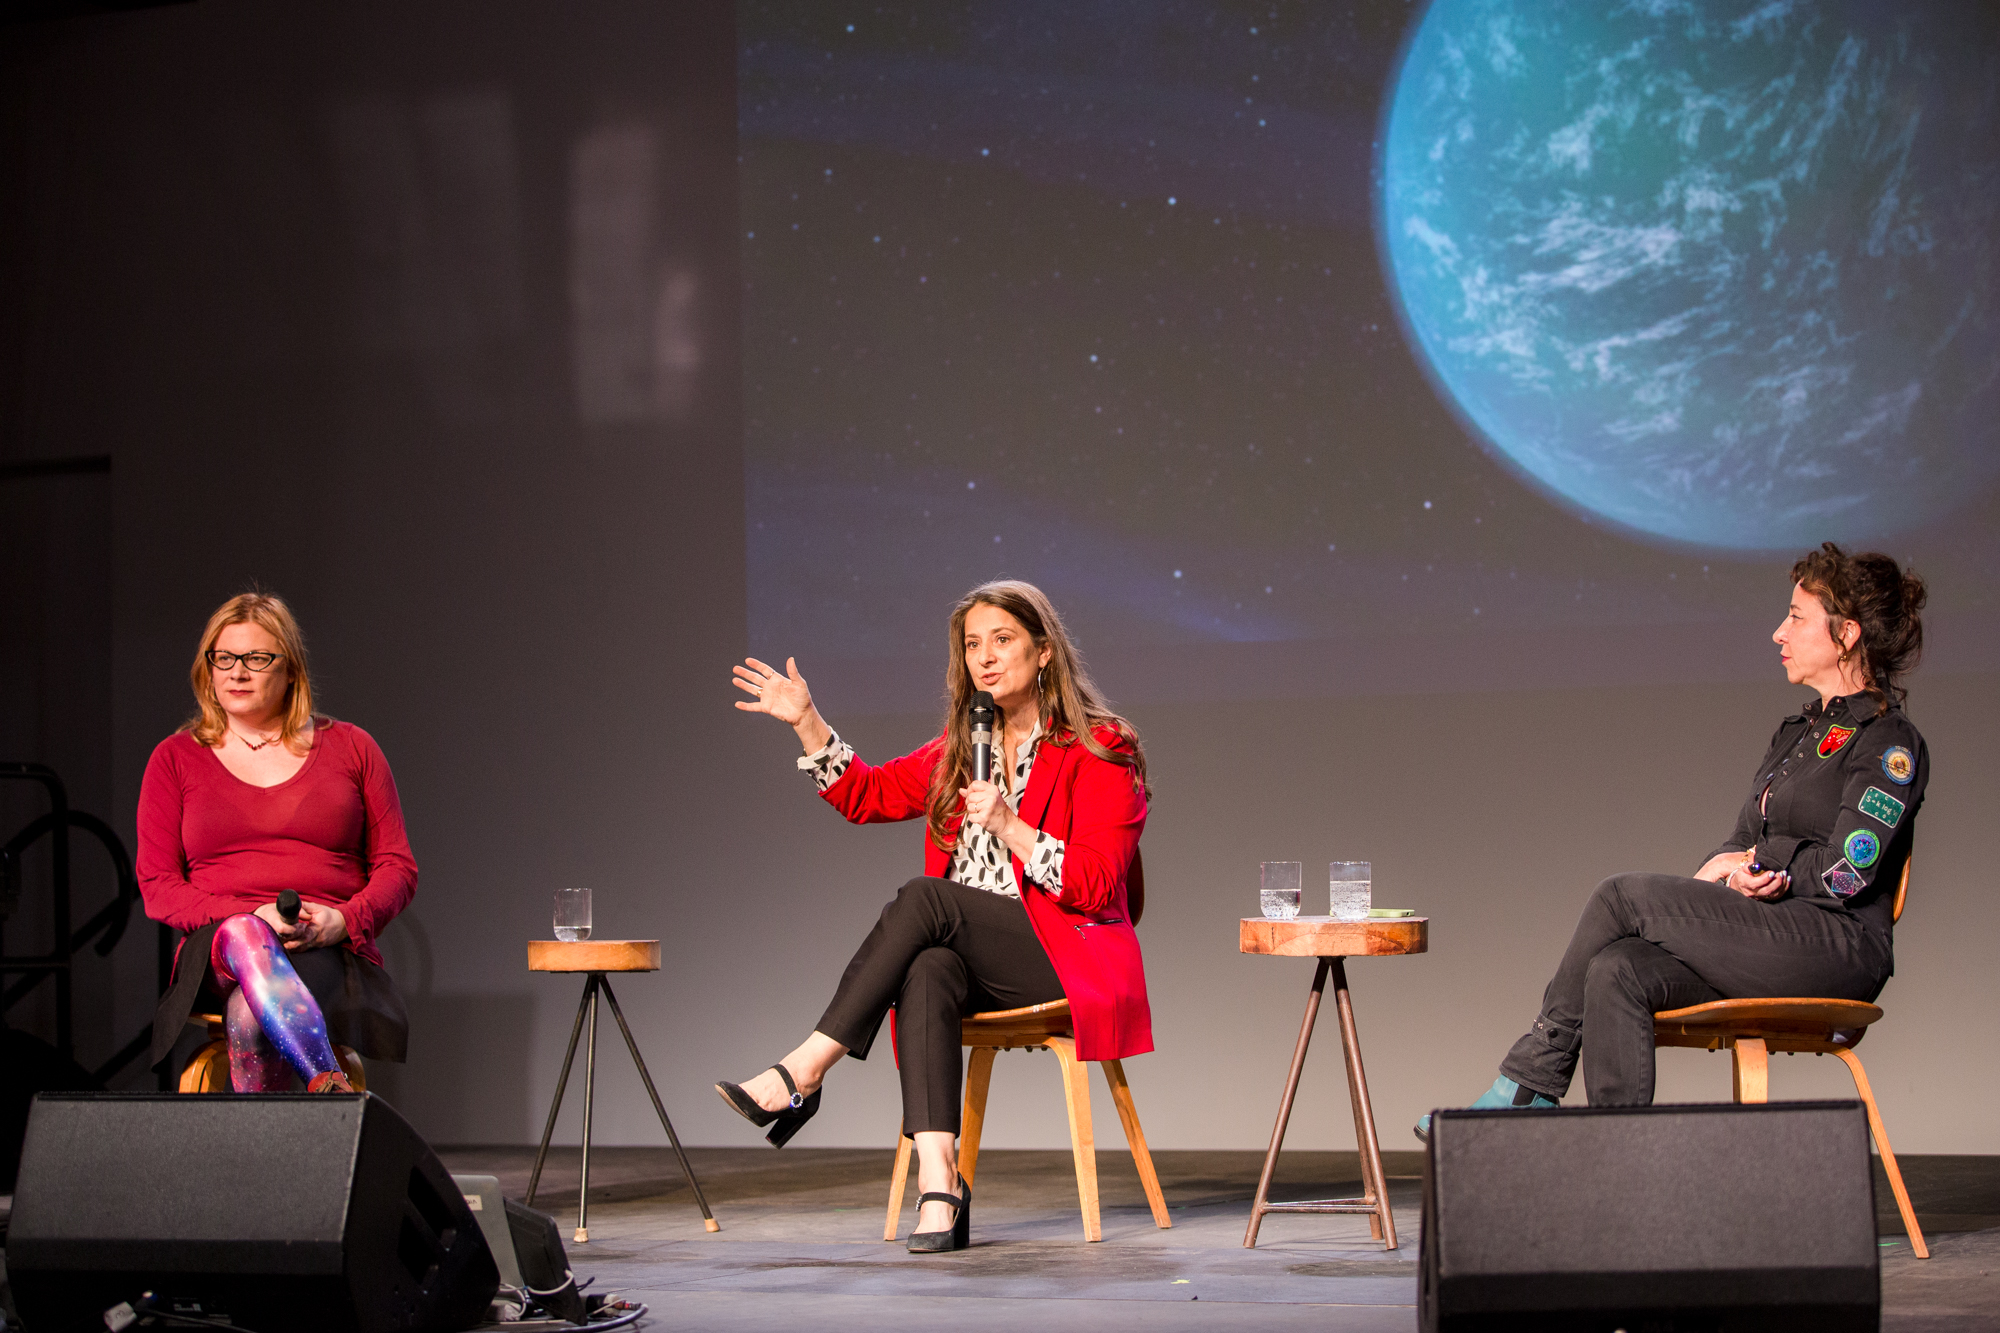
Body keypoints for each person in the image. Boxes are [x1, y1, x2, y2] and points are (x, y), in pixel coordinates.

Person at [1419, 544, 1927, 1135]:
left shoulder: (1888, 741)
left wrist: (1767, 863)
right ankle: (1624, 1171)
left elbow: (1848, 873)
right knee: (1616, 967)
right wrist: (1730, 871)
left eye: (1795, 616)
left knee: (1620, 898)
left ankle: (1527, 1084)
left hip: (1834, 947)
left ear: (1846, 635)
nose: (1777, 632)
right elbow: (1740, 840)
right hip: (1767, 933)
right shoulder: (1797, 734)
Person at [718, 580, 1151, 1252]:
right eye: (972, 644)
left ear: (1043, 652)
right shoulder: (959, 749)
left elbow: (1097, 885)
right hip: (974, 955)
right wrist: (807, 720)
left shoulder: (1100, 746)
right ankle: (941, 1184)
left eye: (1002, 640)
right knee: (926, 966)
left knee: (926, 899)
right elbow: (864, 793)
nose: (984, 657)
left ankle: (805, 1070)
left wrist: (1012, 826)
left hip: (1065, 952)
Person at [139, 592, 417, 1093]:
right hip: (217, 948)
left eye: (256, 658)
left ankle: (262, 1167)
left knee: (250, 1016)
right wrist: (244, 918)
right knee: (246, 931)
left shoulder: (353, 747)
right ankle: (327, 1084)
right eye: (223, 658)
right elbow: (158, 885)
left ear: (290, 670)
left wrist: (344, 921)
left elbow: (397, 867)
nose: (236, 673)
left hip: (323, 950)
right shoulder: (175, 758)